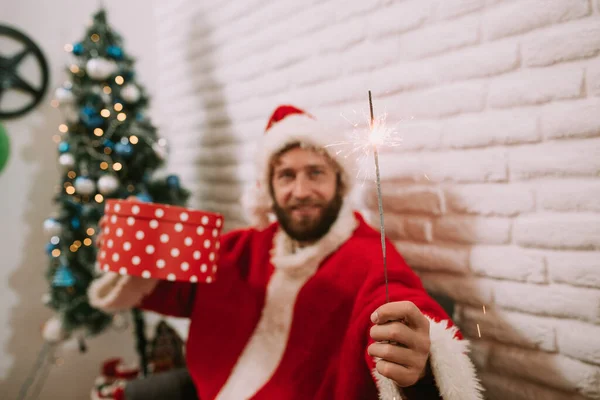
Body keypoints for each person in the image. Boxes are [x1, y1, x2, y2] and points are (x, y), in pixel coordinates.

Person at [89, 105, 484, 400]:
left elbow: (404, 302)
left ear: (339, 183)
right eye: (286, 175)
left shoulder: (367, 256)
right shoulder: (244, 247)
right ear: (269, 189)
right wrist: (135, 252)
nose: (300, 191)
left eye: (315, 172)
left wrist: (422, 361)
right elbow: (174, 289)